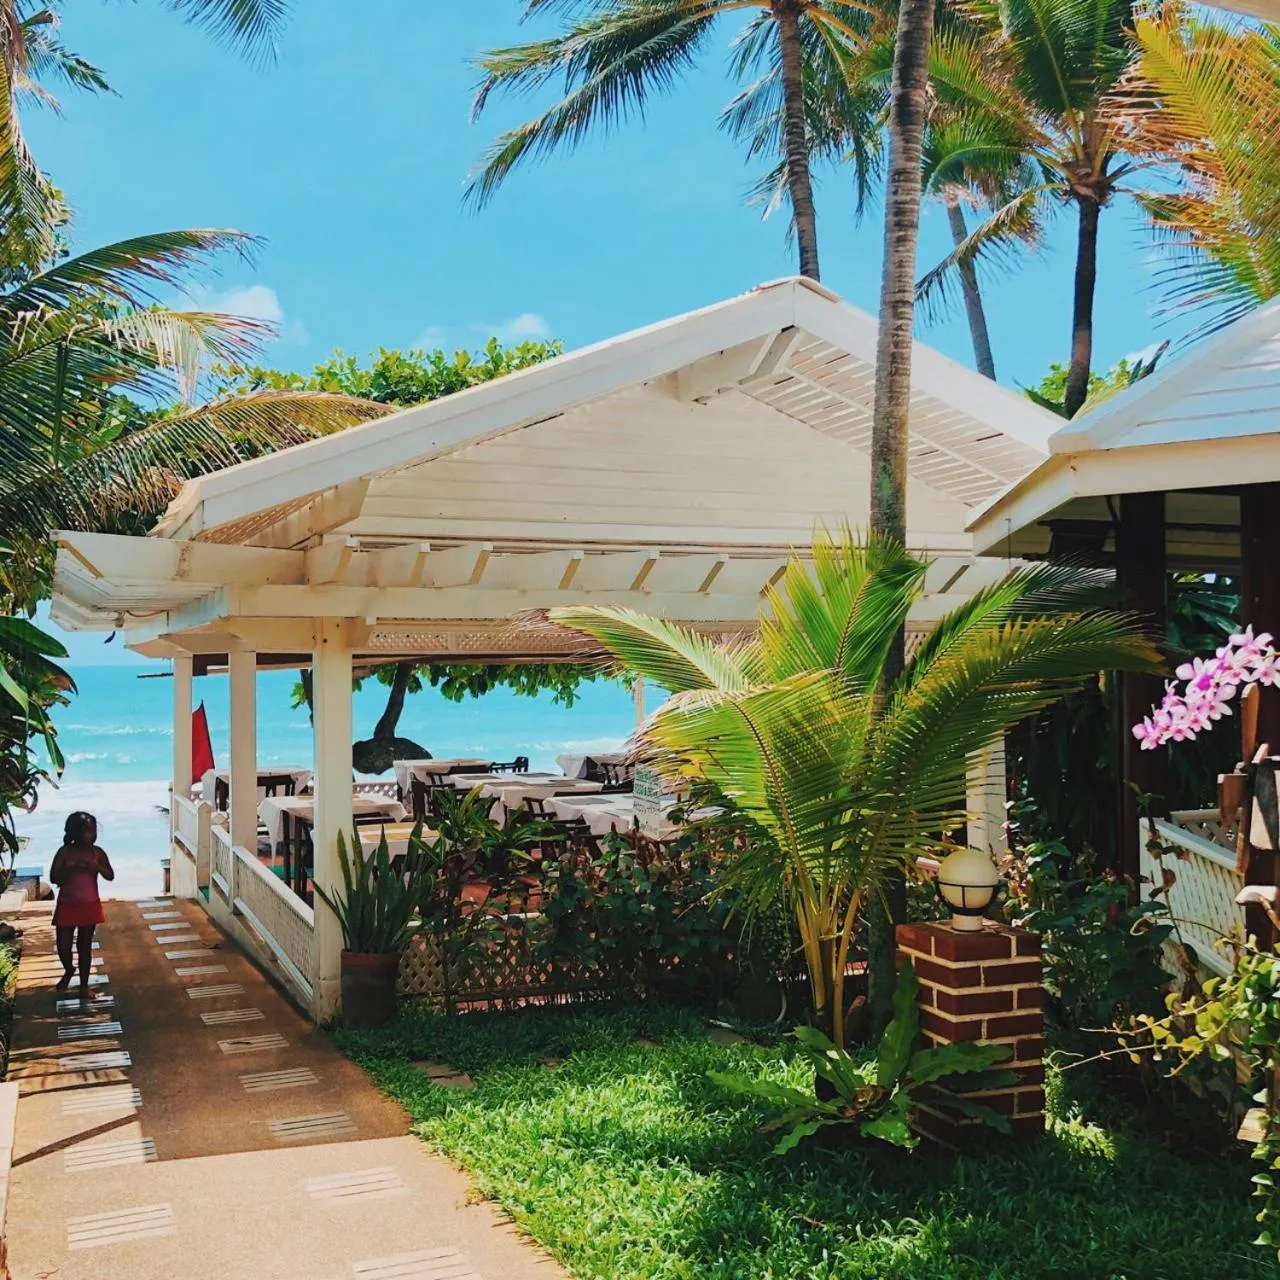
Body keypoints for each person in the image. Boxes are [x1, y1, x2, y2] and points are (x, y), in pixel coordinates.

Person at [49, 812, 113, 1004]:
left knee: (84, 946)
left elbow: (110, 875)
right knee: (63, 946)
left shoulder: (98, 853)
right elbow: (53, 878)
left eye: (94, 831)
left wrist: (97, 868)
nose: (92, 835)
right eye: (88, 832)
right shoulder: (64, 852)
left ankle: (84, 985)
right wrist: (70, 869)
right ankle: (69, 969)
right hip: (67, 905)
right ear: (75, 833)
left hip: (89, 905)